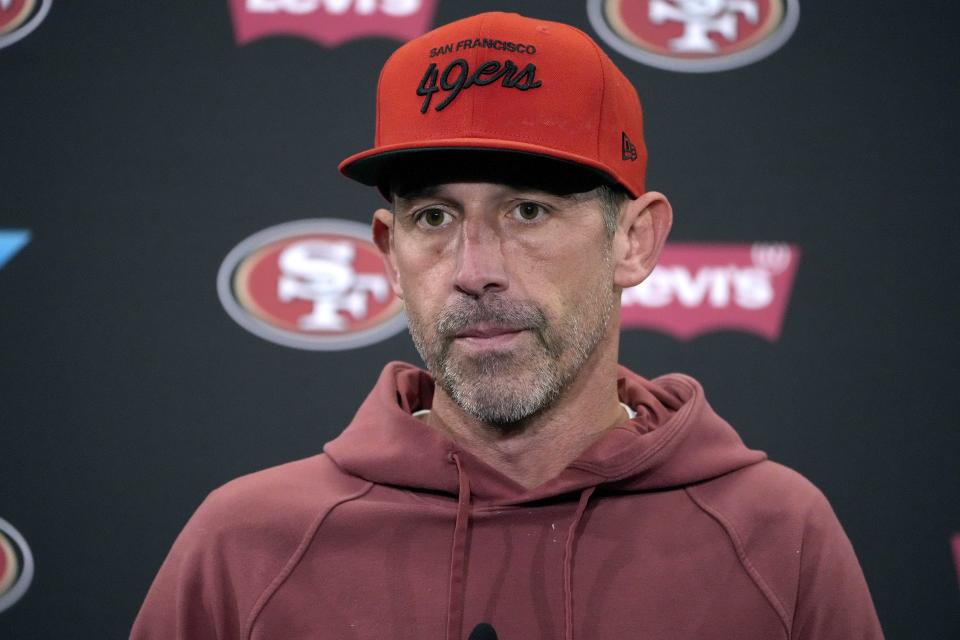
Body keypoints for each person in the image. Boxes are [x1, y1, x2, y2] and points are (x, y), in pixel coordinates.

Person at [131, 12, 884, 640]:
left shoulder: (777, 535)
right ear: (391, 256)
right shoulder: (246, 545)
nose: (474, 268)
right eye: (434, 216)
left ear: (634, 241)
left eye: (529, 209)